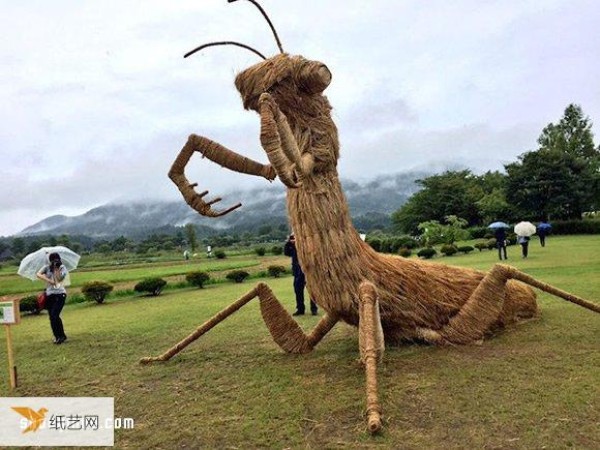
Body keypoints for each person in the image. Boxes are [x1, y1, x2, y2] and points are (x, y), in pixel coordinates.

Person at [36, 252, 68, 344]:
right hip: (49, 295)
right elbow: (38, 274)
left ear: (59, 259)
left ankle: (61, 336)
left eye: (56, 259)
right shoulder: (46, 267)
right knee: (52, 317)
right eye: (53, 260)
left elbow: (59, 279)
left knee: (55, 315)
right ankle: (58, 336)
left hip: (60, 294)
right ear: (50, 261)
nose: (55, 261)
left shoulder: (62, 267)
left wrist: (56, 268)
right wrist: (49, 280)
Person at [284, 234, 318, 316]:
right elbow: (286, 253)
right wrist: (289, 242)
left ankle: (314, 309)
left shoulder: (306, 243)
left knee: (311, 291)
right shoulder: (292, 246)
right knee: (298, 290)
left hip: (308, 271)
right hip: (297, 271)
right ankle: (300, 309)